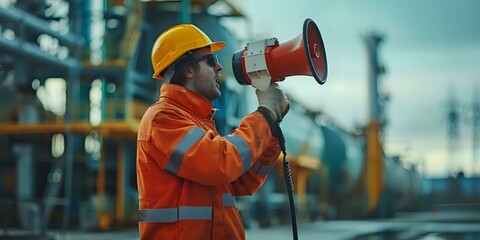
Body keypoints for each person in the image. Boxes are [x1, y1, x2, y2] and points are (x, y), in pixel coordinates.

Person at [136, 23, 290, 240]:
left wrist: (272, 124)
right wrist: (264, 114)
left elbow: (243, 181)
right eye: (211, 61)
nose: (219, 68)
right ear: (188, 69)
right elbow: (220, 164)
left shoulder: (200, 122)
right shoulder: (162, 119)